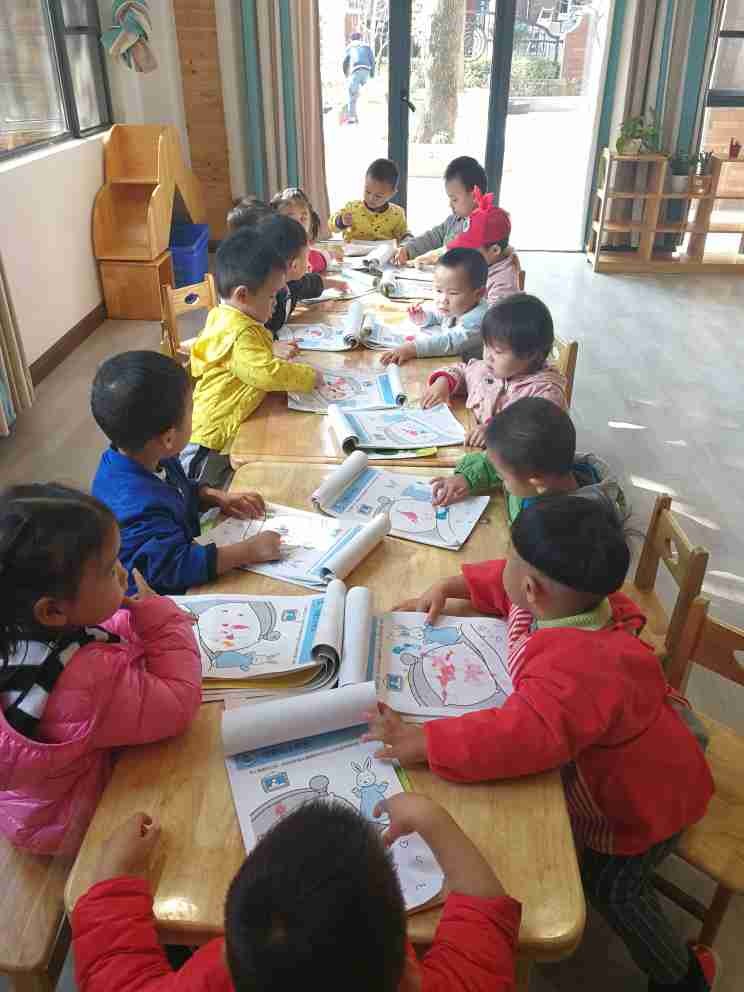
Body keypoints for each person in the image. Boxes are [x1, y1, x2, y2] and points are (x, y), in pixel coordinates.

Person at [365, 495, 718, 992]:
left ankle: (682, 975)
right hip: (647, 750)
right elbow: (504, 587)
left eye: (510, 557)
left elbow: (515, 739)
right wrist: (450, 585)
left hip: (645, 805)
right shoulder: (572, 603)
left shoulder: (577, 671)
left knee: (613, 891)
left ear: (532, 588)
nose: (503, 567)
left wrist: (424, 741)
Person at [71, 795, 521, 992]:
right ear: (406, 972)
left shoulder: (218, 975)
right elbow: (485, 921)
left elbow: (114, 978)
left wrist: (114, 877)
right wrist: (431, 817)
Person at [0, 484, 201, 855]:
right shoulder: (83, 680)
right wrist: (163, 620)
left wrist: (134, 620)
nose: (123, 574)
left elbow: (96, 633)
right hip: (71, 822)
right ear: (53, 610)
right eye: (110, 569)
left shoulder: (23, 629)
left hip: (28, 804)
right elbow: (179, 703)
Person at [91, 351, 281, 595]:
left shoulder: (150, 454)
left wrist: (212, 496)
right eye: (192, 410)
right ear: (168, 438)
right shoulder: (135, 505)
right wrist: (249, 551)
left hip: (184, 552)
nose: (195, 414)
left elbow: (178, 488)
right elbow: (172, 566)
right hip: (157, 600)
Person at [182, 227, 319, 476]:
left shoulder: (225, 316)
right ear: (243, 295)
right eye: (271, 297)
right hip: (212, 437)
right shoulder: (240, 333)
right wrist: (309, 376)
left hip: (222, 425)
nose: (275, 304)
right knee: (198, 488)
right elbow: (265, 373)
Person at [431, 397, 625, 521]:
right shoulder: (539, 466)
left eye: (503, 477)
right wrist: (466, 477)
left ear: (537, 482)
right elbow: (495, 461)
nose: (500, 478)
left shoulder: (566, 532)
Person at [421, 294, 567, 448]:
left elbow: (534, 435)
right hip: (473, 447)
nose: (488, 356)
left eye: (498, 351)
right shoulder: (492, 369)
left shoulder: (545, 395)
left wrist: (495, 431)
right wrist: (444, 382)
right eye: (486, 345)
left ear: (529, 354)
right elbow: (464, 371)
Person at [380, 248, 488, 365]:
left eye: (453, 293)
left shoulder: (479, 320)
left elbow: (451, 342)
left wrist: (412, 348)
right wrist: (424, 317)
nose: (443, 300)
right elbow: (440, 316)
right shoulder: (462, 305)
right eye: (438, 290)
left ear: (479, 294)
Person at [393, 156, 488, 266]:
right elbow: (432, 237)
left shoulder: (486, 227)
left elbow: (460, 253)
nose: (450, 204)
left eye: (454, 199)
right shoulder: (453, 220)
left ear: (474, 196)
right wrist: (407, 249)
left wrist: (432, 257)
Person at [447, 188, 521, 305]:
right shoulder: (488, 263)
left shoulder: (503, 285)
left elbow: (493, 316)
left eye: (472, 250)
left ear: (495, 250)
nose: (466, 254)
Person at [270, 187, 347, 286]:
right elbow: (313, 262)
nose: (299, 224)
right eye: (290, 219)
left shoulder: (303, 244)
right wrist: (330, 255)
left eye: (303, 218)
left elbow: (313, 256)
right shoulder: (278, 248)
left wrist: (331, 253)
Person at [329, 158, 408, 243]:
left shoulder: (397, 214)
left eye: (378, 196)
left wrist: (408, 240)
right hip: (354, 250)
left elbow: (403, 235)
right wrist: (341, 221)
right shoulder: (352, 207)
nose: (371, 198)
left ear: (392, 194)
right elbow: (332, 226)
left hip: (383, 250)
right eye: (367, 192)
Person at [342, 31, 375, 124]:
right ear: (360, 38)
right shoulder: (367, 46)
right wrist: (372, 73)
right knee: (364, 94)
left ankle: (352, 118)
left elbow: (345, 62)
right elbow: (372, 60)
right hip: (366, 70)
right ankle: (365, 116)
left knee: (352, 94)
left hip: (355, 71)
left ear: (351, 39)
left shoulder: (349, 47)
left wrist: (346, 74)